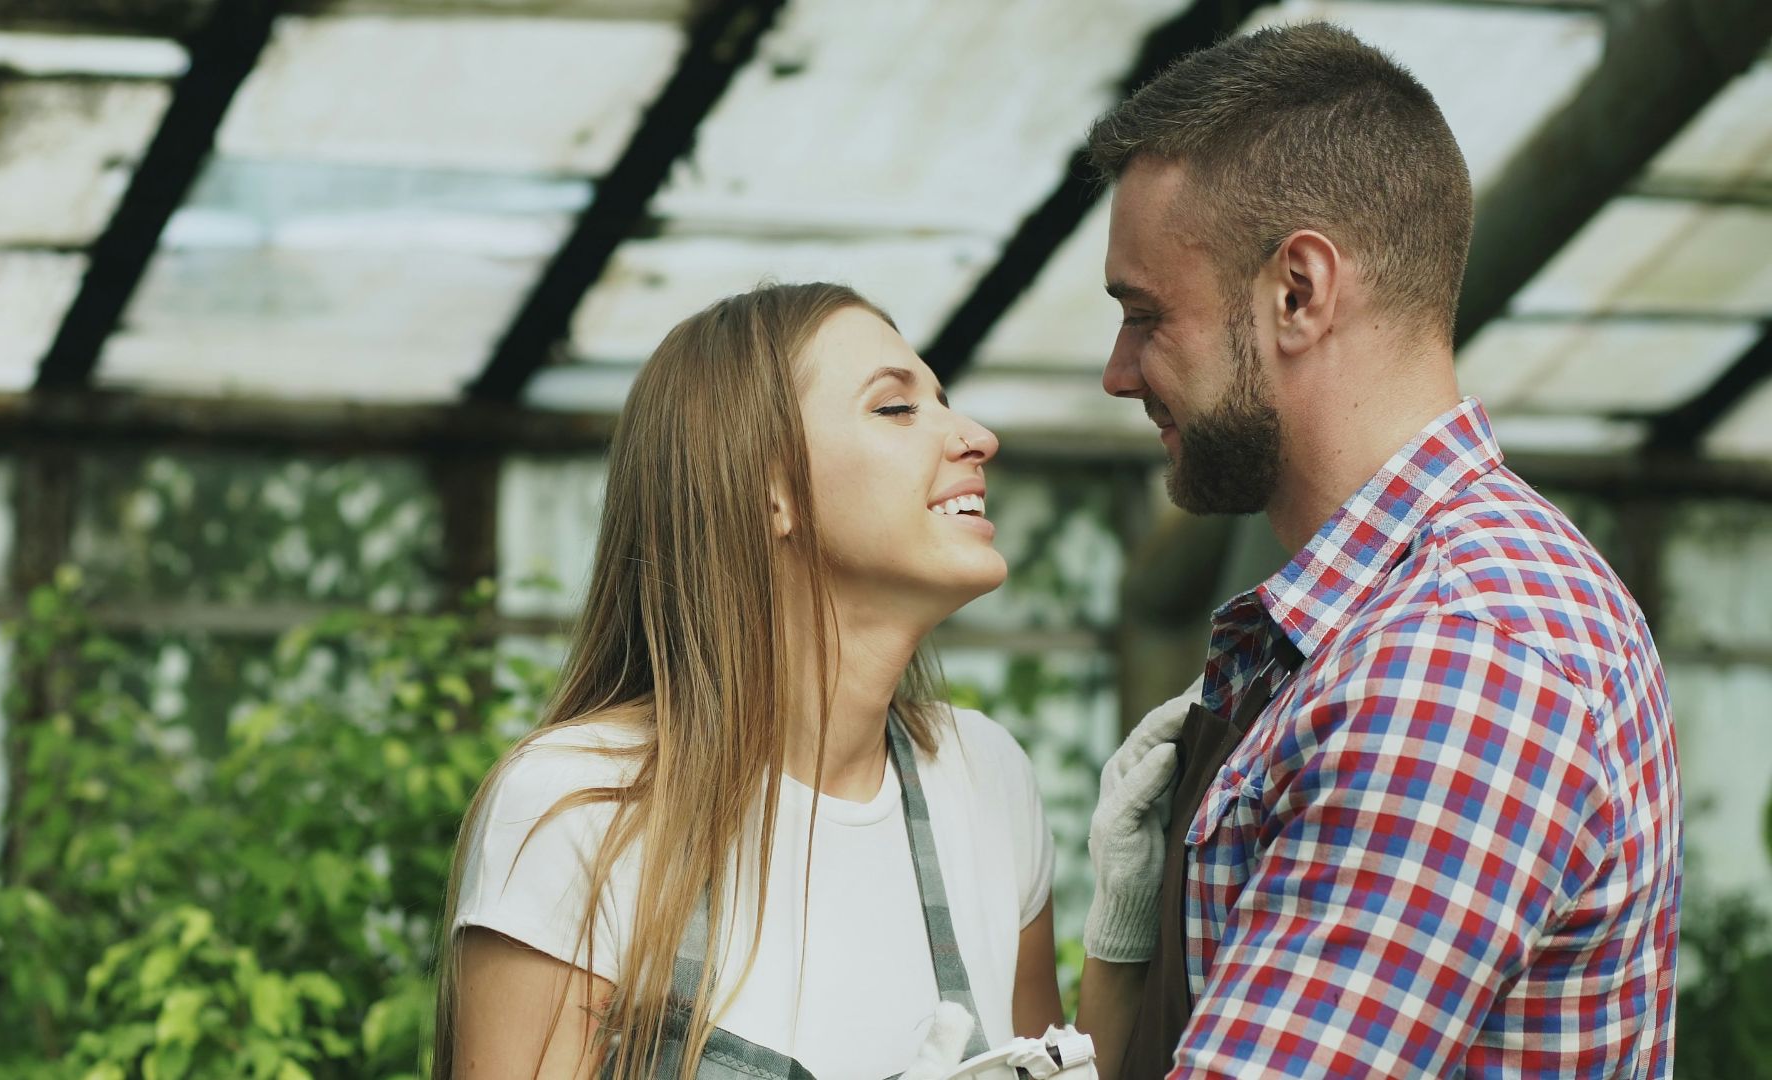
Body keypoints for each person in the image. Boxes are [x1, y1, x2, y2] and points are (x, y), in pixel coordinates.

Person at [1071, 22, 1681, 1079]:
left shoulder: (1459, 659)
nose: (1118, 373)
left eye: (1144, 314)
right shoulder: (1394, 621)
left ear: (1298, 293)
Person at [433, 283, 1070, 1078]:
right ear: (769, 487)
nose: (977, 437)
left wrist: (1125, 943)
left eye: (944, 403)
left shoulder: (985, 779)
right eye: (896, 410)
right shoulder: (580, 809)